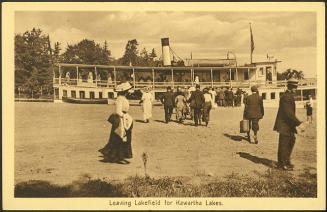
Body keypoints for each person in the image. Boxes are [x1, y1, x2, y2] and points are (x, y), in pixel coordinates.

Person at [99, 82, 133, 164]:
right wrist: (125, 117)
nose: (129, 92)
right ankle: (118, 156)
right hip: (120, 119)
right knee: (120, 137)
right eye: (128, 90)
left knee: (124, 137)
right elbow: (118, 111)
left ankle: (122, 155)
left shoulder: (123, 98)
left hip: (124, 118)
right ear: (125, 91)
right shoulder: (120, 99)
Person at [273, 78, 303, 171]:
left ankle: (286, 161)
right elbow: (288, 113)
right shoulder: (286, 97)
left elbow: (290, 113)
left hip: (288, 125)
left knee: (291, 141)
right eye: (294, 87)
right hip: (284, 125)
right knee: (284, 144)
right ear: (290, 87)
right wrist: (299, 123)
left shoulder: (289, 96)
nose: (296, 89)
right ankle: (282, 164)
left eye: (296, 87)